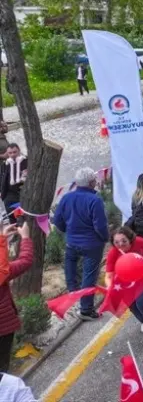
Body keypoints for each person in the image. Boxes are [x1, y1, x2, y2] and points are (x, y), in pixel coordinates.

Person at [51, 167, 108, 320]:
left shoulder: (66, 198)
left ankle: (73, 295)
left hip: (71, 242)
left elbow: (57, 220)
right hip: (92, 244)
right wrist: (105, 238)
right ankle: (86, 309)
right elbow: (100, 226)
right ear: (91, 183)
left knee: (70, 269)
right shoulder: (95, 200)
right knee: (89, 276)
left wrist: (67, 231)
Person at [105, 226, 143, 329]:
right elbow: (108, 276)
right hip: (124, 283)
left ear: (130, 239)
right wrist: (109, 287)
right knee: (132, 305)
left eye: (124, 241)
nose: (120, 244)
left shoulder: (139, 241)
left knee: (142, 303)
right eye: (116, 242)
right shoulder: (113, 253)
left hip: (141, 278)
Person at [0, 221, 32, 372]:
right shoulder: (3, 273)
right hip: (3, 328)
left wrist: (2, 239)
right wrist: (25, 237)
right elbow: (26, 260)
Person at [1, 144, 26, 212]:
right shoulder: (5, 164)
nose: (12, 154)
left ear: (19, 151)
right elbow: (2, 179)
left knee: (21, 214)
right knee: (10, 214)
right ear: (7, 153)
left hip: (22, 194)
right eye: (10, 153)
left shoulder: (26, 162)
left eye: (15, 152)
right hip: (9, 194)